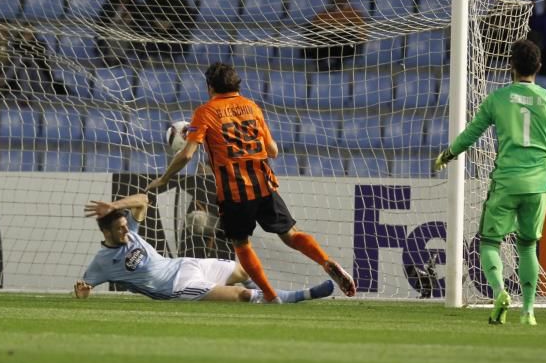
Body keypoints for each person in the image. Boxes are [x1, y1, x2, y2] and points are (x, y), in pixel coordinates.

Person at [434, 39, 546, 326]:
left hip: (506, 182)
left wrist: (448, 154)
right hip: (538, 186)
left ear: (511, 67)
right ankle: (528, 311)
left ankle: (501, 293)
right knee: (528, 246)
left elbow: (471, 135)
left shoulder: (497, 99)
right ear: (539, 66)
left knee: (489, 242)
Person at [146, 63, 358, 303]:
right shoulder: (252, 107)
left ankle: (270, 295)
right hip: (264, 184)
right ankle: (325, 261)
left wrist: (164, 178)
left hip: (234, 191)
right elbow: (273, 150)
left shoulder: (205, 112)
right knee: (290, 234)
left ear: (210, 87)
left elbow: (186, 155)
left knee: (241, 244)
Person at [75, 194, 335, 303]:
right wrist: (83, 291)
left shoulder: (131, 232)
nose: (125, 230)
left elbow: (143, 200)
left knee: (245, 272)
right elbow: (84, 290)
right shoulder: (102, 261)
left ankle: (270, 298)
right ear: (106, 232)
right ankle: (297, 296)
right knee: (241, 296)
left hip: (187, 264)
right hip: (176, 288)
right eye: (119, 228)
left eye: (124, 225)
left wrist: (112, 205)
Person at [303, 0, 366, 71]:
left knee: (347, 30)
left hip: (346, 47)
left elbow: (361, 35)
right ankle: (322, 62)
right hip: (327, 46)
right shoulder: (323, 14)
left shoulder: (355, 14)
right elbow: (312, 33)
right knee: (311, 29)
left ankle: (336, 63)